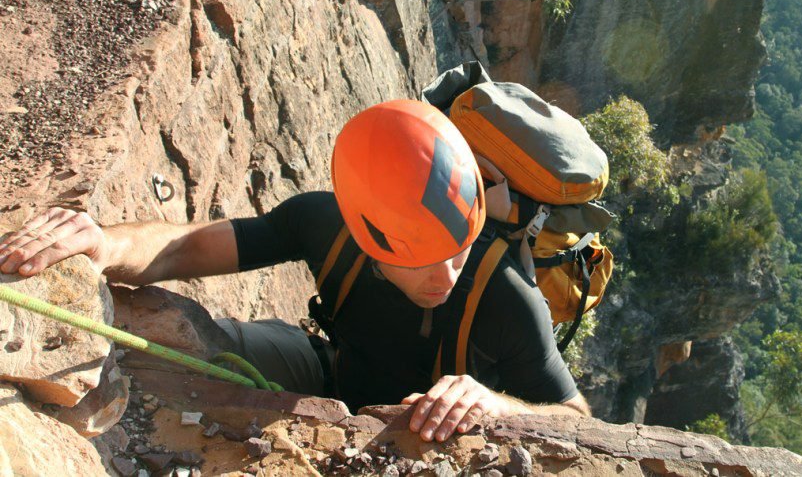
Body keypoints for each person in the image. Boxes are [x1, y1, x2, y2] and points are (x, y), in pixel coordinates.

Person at [0, 99, 590, 442]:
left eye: (458, 250)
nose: (449, 274)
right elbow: (186, 247)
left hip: (412, 429)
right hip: (330, 374)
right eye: (423, 259)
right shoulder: (326, 223)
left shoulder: (506, 296)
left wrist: (496, 402)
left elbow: (575, 418)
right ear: (368, 235)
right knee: (212, 345)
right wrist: (103, 241)